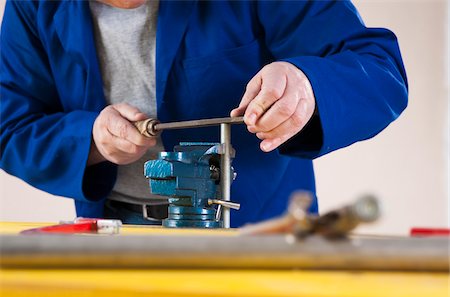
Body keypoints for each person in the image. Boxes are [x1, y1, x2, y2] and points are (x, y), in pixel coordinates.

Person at [0, 0, 408, 227]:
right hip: (114, 234)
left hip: (259, 237)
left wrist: (307, 85)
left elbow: (379, 68)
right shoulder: (34, 6)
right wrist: (90, 141)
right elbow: (10, 125)